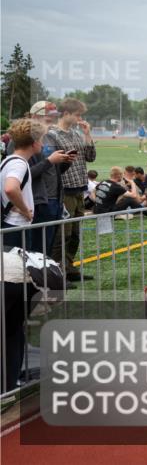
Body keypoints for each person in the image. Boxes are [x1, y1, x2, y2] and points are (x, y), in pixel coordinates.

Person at [1, 118, 47, 393]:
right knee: (14, 311)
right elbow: (10, 188)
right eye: (41, 139)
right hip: (15, 235)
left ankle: (10, 375)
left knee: (12, 313)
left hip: (10, 233)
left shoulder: (8, 161)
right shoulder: (18, 164)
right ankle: (9, 379)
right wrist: (26, 210)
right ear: (34, 142)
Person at [6, 102, 73, 255]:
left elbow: (54, 171)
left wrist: (64, 162)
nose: (53, 120)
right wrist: (50, 161)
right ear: (35, 116)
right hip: (37, 202)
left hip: (54, 199)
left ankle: (46, 276)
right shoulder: (19, 140)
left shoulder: (49, 136)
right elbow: (21, 175)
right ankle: (35, 278)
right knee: (35, 250)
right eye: (49, 118)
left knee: (47, 248)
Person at [46, 98, 97, 281]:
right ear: (66, 113)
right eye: (77, 114)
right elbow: (50, 164)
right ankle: (58, 272)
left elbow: (91, 157)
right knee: (63, 234)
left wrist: (87, 134)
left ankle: (69, 267)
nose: (79, 118)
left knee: (75, 233)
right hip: (64, 190)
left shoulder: (77, 134)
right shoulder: (52, 135)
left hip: (79, 189)